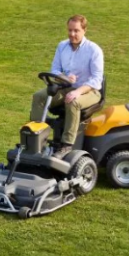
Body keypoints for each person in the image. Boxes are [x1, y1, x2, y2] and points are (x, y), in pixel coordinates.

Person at [30, 15, 104, 158]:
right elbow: (55, 70)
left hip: (90, 91)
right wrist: (64, 78)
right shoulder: (62, 46)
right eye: (70, 30)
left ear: (84, 30)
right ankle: (35, 138)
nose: (72, 34)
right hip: (66, 86)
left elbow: (96, 80)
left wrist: (78, 91)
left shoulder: (94, 50)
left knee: (72, 101)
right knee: (39, 97)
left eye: (76, 31)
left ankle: (66, 145)